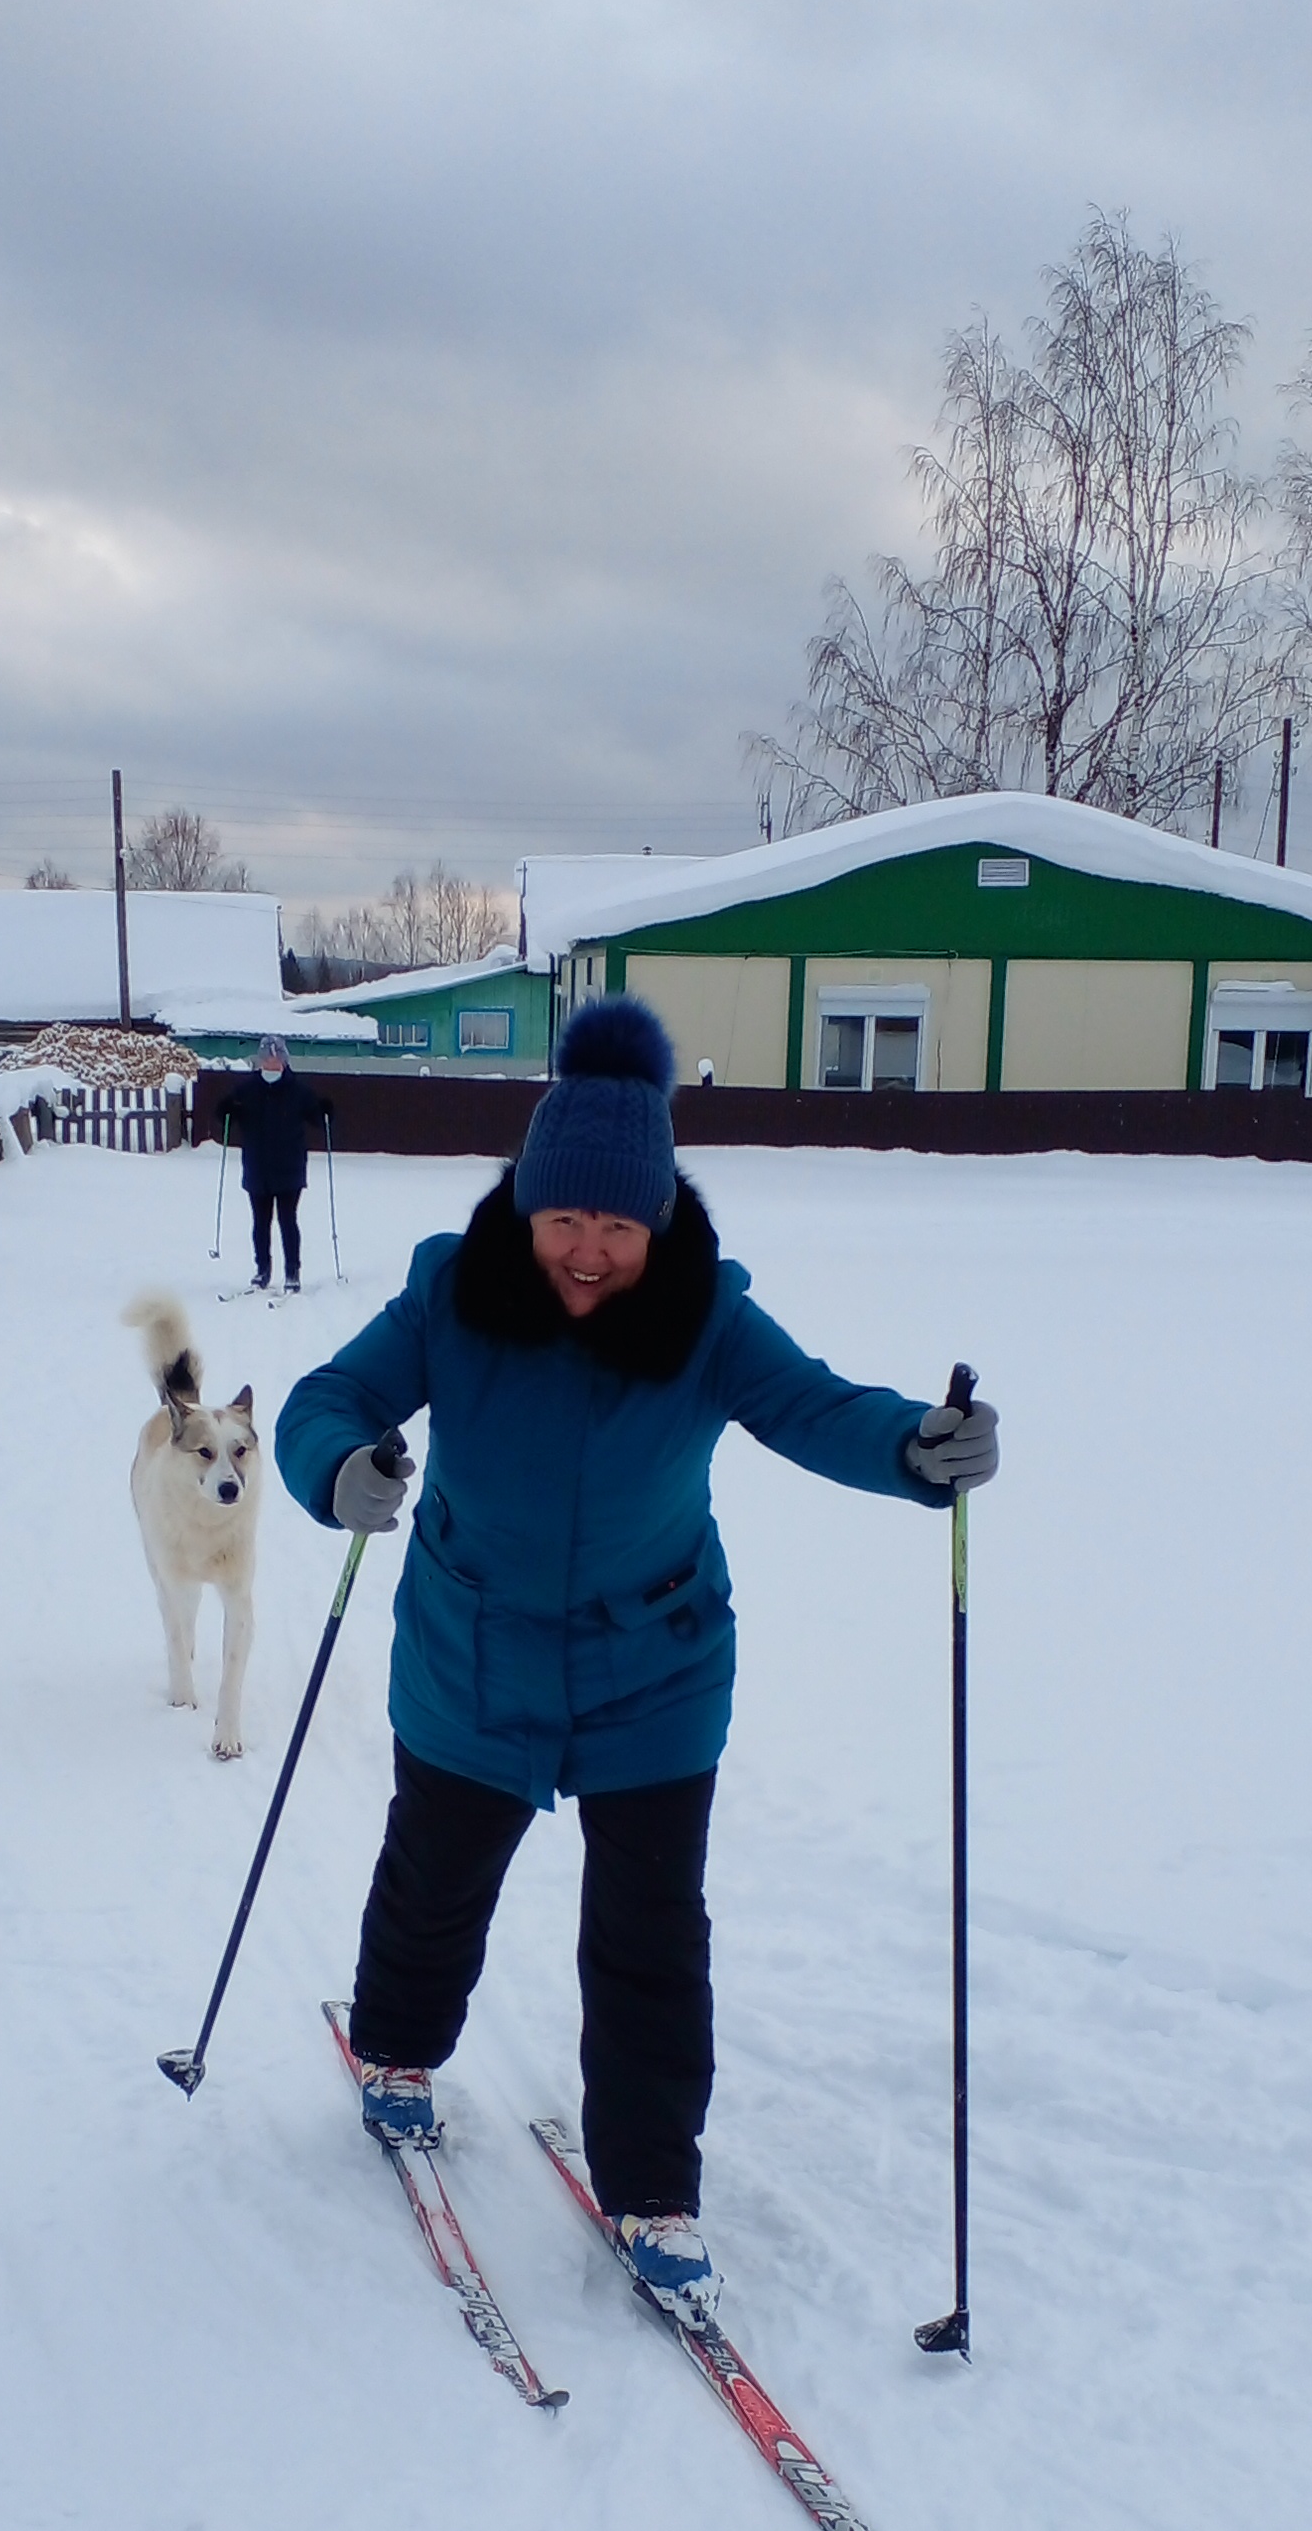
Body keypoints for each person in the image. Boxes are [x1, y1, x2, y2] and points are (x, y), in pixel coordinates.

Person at [274, 994, 996, 2319]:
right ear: (527, 1207)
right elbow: (328, 1402)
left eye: (618, 1225)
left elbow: (816, 1409)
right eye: (566, 1220)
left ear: (657, 1221)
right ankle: (395, 2050)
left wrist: (913, 1448)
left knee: (651, 1936)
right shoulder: (454, 1289)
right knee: (438, 1880)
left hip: (653, 1669)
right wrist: (341, 1470)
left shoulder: (707, 1318)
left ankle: (653, 2184)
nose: (590, 1252)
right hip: (471, 1655)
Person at [217, 1035, 332, 1291]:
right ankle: (262, 1270)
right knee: (260, 1222)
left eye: (275, 1060)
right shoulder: (247, 1090)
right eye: (266, 1061)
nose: (270, 1065)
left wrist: (324, 1111)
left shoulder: (299, 1090)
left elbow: (316, 1117)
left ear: (284, 1061)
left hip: (289, 1167)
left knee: (287, 1220)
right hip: (257, 1166)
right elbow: (226, 1114)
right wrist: (226, 1110)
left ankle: (292, 1272)